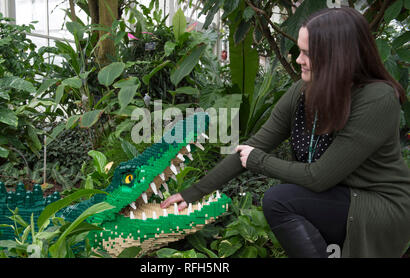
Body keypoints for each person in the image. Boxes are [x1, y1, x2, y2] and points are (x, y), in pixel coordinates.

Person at [160, 7, 410, 258]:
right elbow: (255, 144)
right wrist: (192, 193)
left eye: (307, 54)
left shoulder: (377, 98)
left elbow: (318, 177)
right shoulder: (304, 91)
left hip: (377, 205)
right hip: (338, 198)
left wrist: (259, 160)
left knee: (280, 199)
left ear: (338, 57)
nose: (298, 60)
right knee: (285, 195)